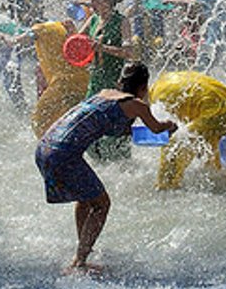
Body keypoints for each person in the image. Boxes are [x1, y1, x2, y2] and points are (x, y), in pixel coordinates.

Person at [34, 62, 175, 272]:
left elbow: (103, 123)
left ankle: (81, 253)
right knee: (102, 204)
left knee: (85, 199)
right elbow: (156, 129)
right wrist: (171, 125)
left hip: (45, 147)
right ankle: (79, 261)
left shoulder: (104, 94)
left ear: (121, 82)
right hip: (64, 154)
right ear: (144, 86)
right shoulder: (137, 105)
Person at [147, 70, 226, 189]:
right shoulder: (164, 82)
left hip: (217, 112)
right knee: (205, 140)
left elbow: (169, 131)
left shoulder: (159, 100)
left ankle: (166, 187)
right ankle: (216, 177)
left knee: (174, 144)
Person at [75, 0, 137, 162]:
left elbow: (129, 52)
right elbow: (78, 43)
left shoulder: (122, 22)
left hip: (114, 82)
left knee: (114, 129)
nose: (92, 6)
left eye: (95, 1)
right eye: (91, 2)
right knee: (87, 126)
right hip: (95, 80)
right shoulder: (93, 19)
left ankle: (121, 168)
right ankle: (99, 165)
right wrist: (71, 33)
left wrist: (103, 48)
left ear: (108, 0)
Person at [26, 19, 90, 139]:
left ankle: (52, 145)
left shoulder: (41, 29)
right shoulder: (66, 33)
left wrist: (12, 39)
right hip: (83, 83)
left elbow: (28, 34)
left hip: (63, 85)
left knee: (39, 120)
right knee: (76, 117)